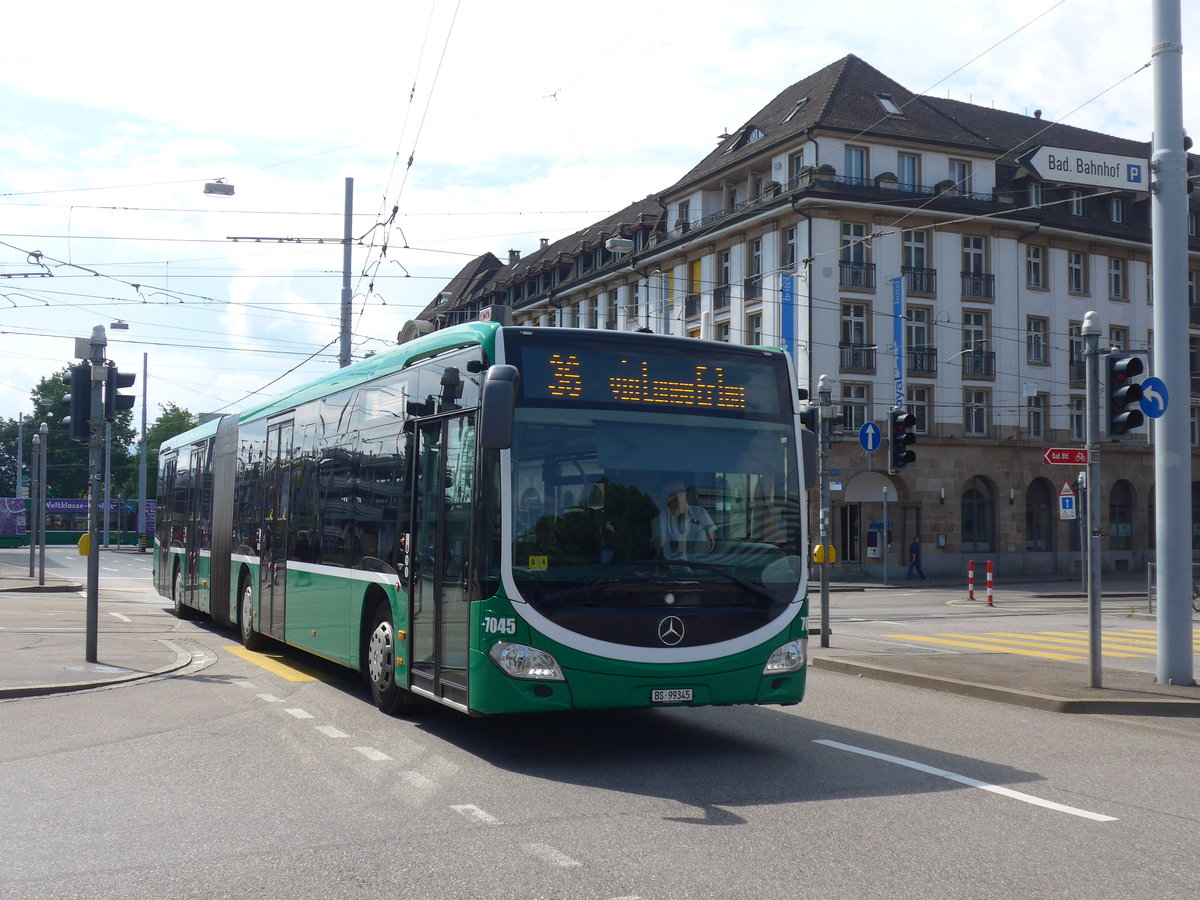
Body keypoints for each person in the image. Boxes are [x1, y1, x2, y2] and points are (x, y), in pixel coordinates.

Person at [654, 478, 717, 560]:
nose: (678, 497)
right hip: (674, 567)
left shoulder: (700, 513)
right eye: (672, 495)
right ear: (665, 498)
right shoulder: (660, 519)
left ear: (686, 494)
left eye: (680, 492)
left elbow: (713, 543)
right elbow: (660, 551)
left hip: (704, 566)